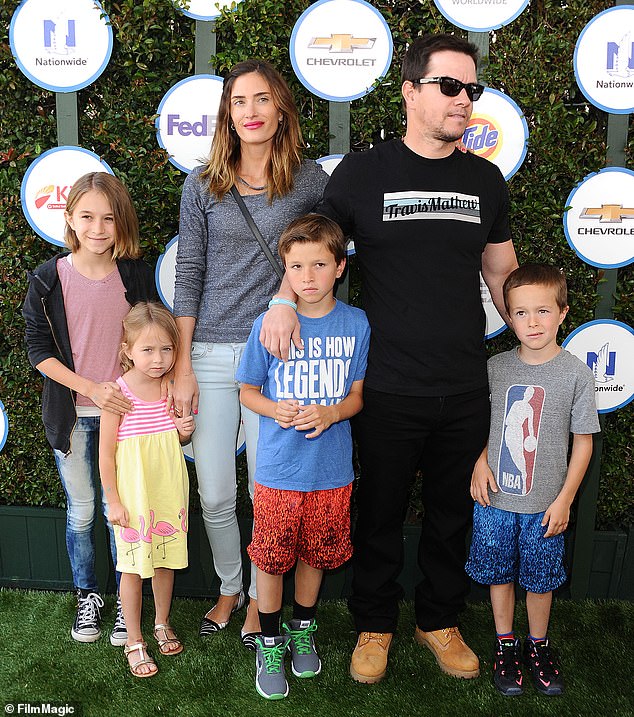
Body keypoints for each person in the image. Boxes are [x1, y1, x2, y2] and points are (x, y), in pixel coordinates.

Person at [260, 33, 519, 683]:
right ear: (410, 91)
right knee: (377, 511)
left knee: (453, 513)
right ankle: (374, 623)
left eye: (473, 90)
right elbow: (315, 246)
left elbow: (502, 274)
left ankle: (439, 619)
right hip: (384, 384)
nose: (465, 101)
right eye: (451, 87)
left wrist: (539, 344)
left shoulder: (486, 179)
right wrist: (282, 301)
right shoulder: (364, 173)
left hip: (464, 382)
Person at [172, 59, 329, 647]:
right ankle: (230, 586)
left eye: (262, 99)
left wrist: (284, 299)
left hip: (280, 350)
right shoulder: (202, 183)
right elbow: (189, 272)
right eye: (239, 102)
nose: (251, 111)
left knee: (270, 490)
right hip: (210, 351)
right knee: (214, 490)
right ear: (227, 114)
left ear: (281, 107)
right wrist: (183, 364)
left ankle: (264, 608)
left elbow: (321, 252)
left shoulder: (309, 180)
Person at [236, 215, 370, 699]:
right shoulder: (266, 325)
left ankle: (302, 629)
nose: (307, 277)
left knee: (317, 553)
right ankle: (269, 642)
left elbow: (357, 397)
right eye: (296, 267)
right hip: (277, 470)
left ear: (340, 266)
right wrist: (276, 409)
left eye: (318, 264)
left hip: (332, 471)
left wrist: (331, 413)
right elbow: (247, 390)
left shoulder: (356, 324)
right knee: (271, 559)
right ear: (285, 272)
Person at [23, 172, 159, 646]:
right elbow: (38, 350)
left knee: (123, 509)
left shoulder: (139, 275)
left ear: (121, 223)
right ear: (70, 219)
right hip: (74, 417)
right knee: (82, 511)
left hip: (129, 417)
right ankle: (87, 595)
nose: (99, 228)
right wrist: (91, 389)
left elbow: (158, 339)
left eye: (109, 218)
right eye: (88, 217)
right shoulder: (47, 278)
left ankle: (128, 603)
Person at [466, 264, 600, 697]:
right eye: (520, 313)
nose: (532, 322)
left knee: (540, 579)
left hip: (546, 505)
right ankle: (505, 643)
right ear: (508, 315)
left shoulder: (576, 373)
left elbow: (583, 443)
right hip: (496, 501)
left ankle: (537, 645)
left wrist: (565, 499)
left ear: (563, 312)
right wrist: (480, 462)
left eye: (542, 311)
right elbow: (485, 427)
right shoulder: (495, 368)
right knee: (498, 574)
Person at [99, 302, 194, 678]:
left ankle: (162, 621)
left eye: (167, 349)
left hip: (168, 491)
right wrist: (113, 500)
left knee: (166, 561)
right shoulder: (117, 396)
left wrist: (185, 430)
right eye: (148, 350)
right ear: (128, 350)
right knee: (134, 569)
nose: (158, 359)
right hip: (134, 498)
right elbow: (106, 455)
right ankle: (135, 638)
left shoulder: (173, 387)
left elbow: (181, 438)